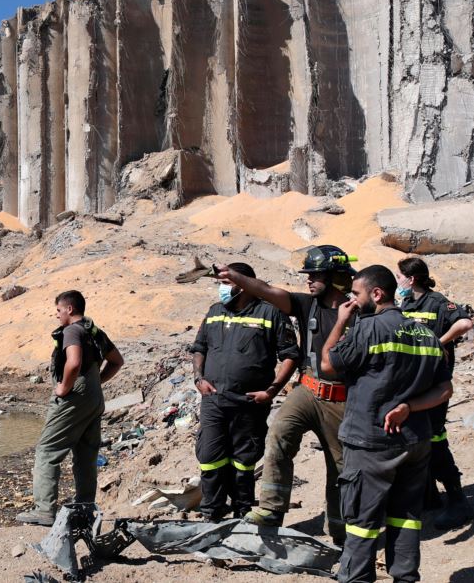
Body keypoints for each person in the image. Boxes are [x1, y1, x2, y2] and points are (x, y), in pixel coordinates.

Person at [320, 265, 453, 583]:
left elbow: (327, 364)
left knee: (361, 521)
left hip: (371, 442)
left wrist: (340, 322)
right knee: (406, 518)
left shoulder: (368, 329)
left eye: (355, 294)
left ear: (376, 293)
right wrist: (410, 407)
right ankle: (405, 577)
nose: (351, 300)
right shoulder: (425, 334)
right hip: (415, 442)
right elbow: (444, 389)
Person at [220, 244, 356, 545]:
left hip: (342, 399)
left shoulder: (358, 313)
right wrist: (234, 276)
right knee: (279, 435)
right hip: (307, 390)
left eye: (315, 275)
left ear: (334, 276)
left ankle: (340, 532)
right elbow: (267, 289)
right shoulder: (308, 305)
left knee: (341, 468)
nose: (308, 280)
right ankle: (270, 510)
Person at [190, 263, 299, 521]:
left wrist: (271, 391)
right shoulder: (215, 312)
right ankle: (212, 514)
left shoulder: (270, 313)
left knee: (243, 462)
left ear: (246, 284)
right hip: (213, 402)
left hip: (249, 404)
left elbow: (290, 356)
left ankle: (242, 514)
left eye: (228, 283)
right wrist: (198, 379)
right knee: (210, 459)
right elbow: (199, 347)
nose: (222, 289)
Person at [17, 290, 124, 526]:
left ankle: (44, 511)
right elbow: (117, 361)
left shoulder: (72, 331)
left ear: (69, 309)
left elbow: (74, 362)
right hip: (95, 398)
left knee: (47, 450)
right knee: (86, 455)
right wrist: (96, 382)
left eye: (58, 310)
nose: (56, 315)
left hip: (75, 396)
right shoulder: (94, 331)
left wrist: (64, 387)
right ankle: (85, 509)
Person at [397, 257, 474, 528]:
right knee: (416, 440)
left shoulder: (438, 303)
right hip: (411, 383)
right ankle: (428, 496)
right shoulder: (406, 305)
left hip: (433, 385)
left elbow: (465, 324)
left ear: (412, 279)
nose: (398, 283)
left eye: (400, 277)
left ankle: (457, 500)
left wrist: (438, 343)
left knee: (435, 439)